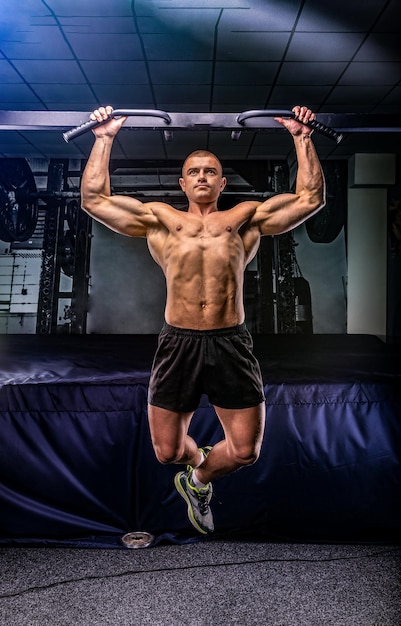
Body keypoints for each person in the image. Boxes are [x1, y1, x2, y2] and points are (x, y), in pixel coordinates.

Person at [81, 105, 325, 535]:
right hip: (179, 343)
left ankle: (199, 481)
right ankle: (193, 464)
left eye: (210, 171)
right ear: (183, 181)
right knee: (167, 449)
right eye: (194, 171)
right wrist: (104, 137)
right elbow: (95, 200)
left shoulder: (244, 219)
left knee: (246, 451)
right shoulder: (161, 220)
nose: (202, 177)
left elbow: (310, 199)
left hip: (231, 341)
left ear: (222, 181)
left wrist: (301, 137)